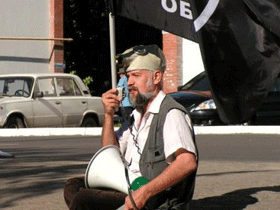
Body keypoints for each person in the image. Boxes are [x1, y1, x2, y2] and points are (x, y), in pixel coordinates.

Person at [64, 44, 198, 210]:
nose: (129, 83)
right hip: (129, 186)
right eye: (128, 77)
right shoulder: (136, 115)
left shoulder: (171, 113)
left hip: (155, 199)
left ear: (156, 77)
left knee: (83, 199)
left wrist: (145, 192)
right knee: (73, 187)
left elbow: (187, 162)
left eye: (136, 75)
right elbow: (109, 155)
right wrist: (108, 115)